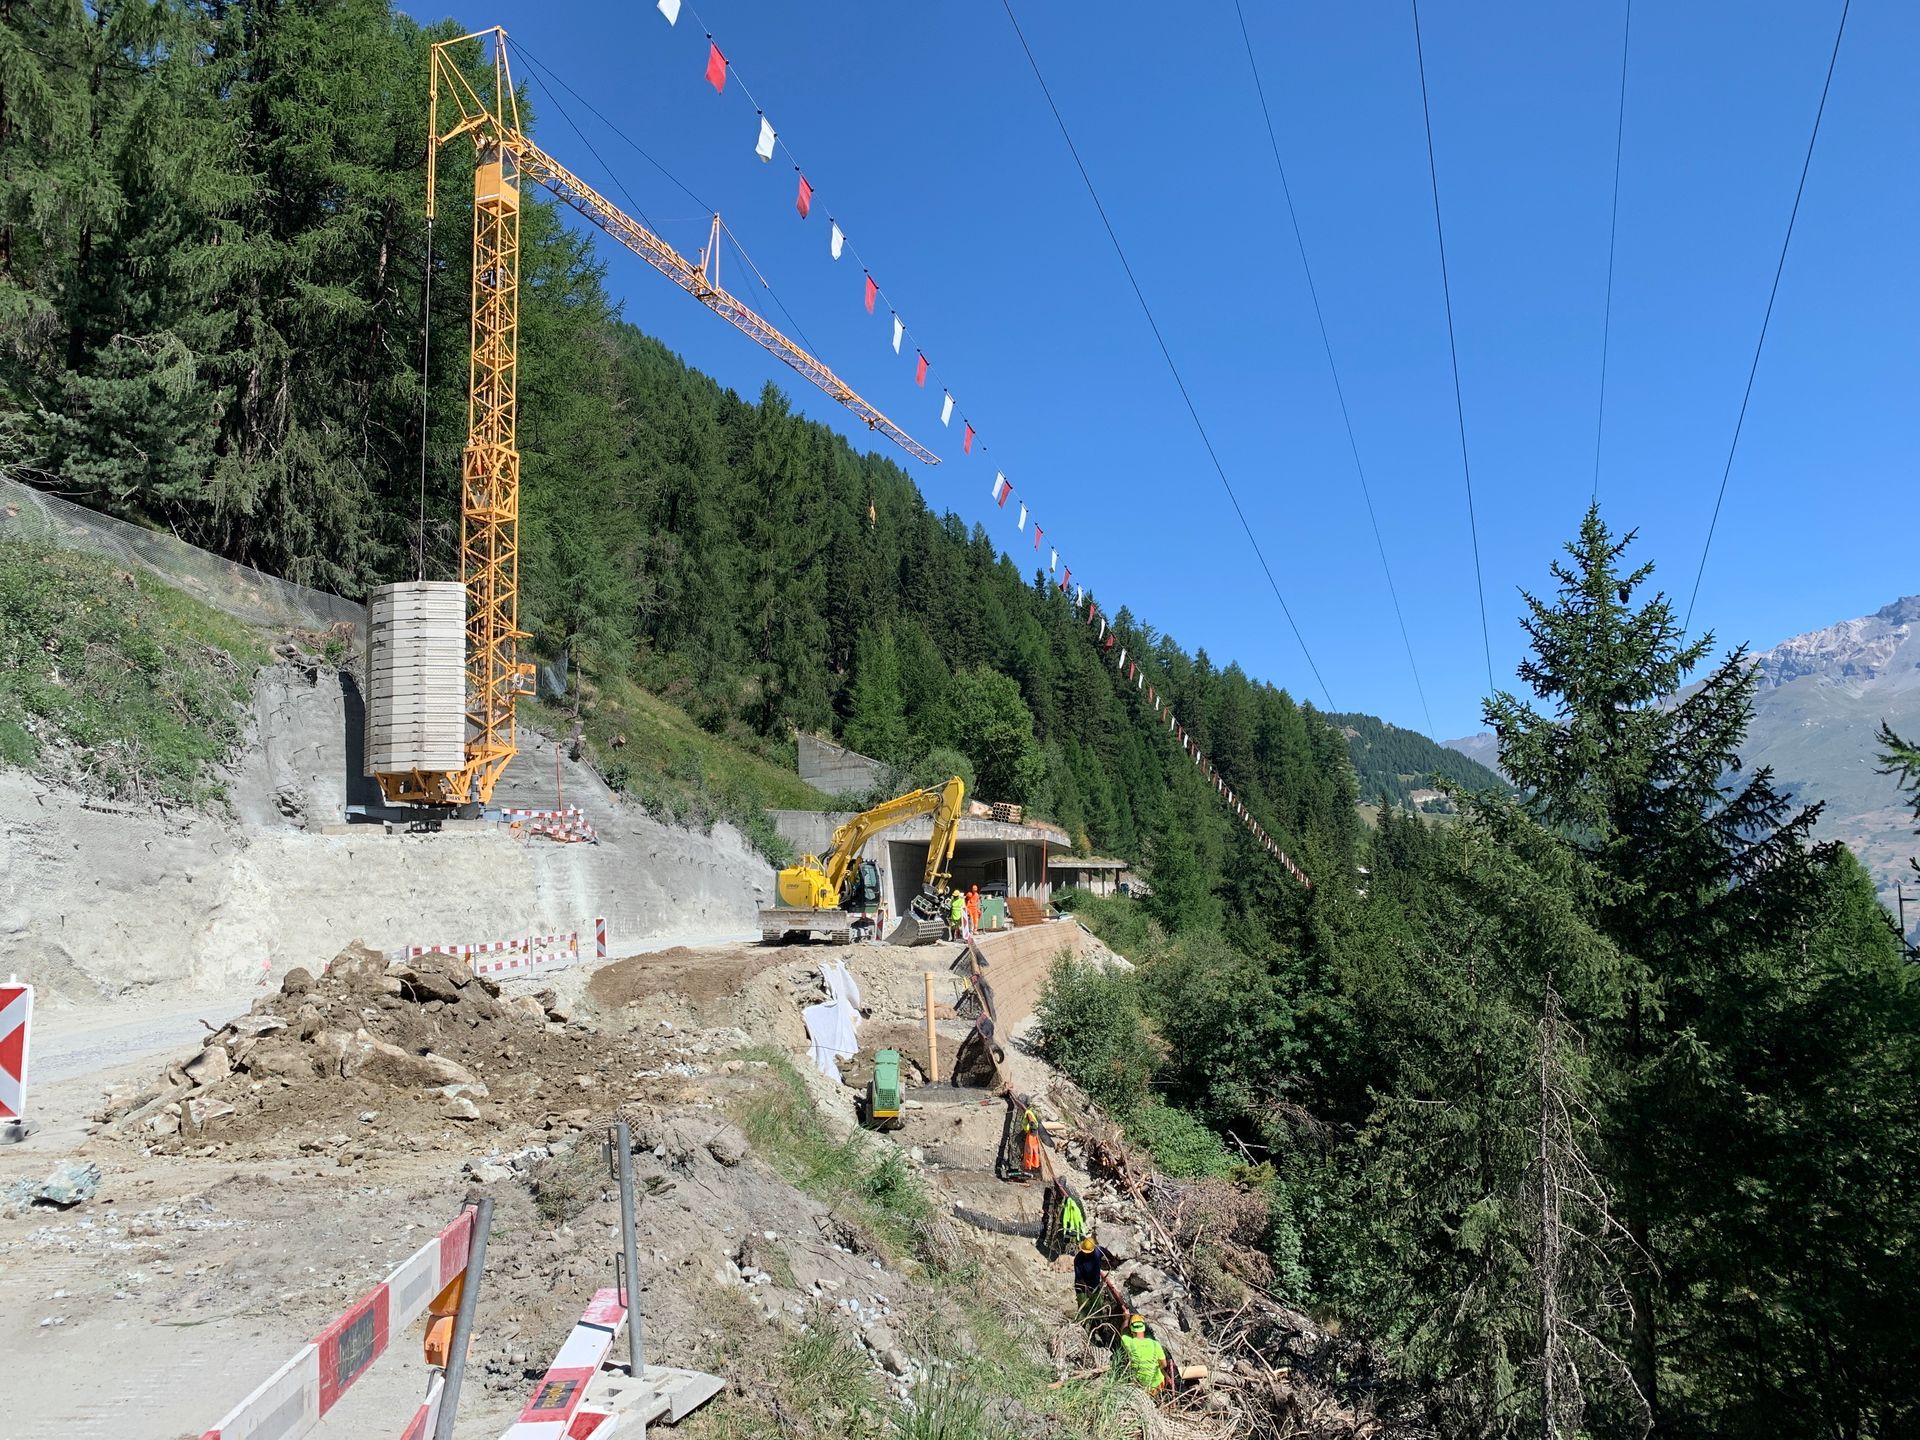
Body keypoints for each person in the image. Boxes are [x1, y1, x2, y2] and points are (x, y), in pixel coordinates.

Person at [1115, 1313, 1171, 1394]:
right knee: (1162, 1373)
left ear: (1131, 1330)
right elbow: (1164, 1364)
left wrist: (1126, 1319)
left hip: (1140, 1385)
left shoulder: (1129, 1343)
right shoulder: (1155, 1344)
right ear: (1144, 1329)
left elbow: (1123, 1332)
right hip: (1158, 1385)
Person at [1072, 1235, 1111, 1319]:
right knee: (1084, 1311)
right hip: (1082, 1288)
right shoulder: (1078, 1259)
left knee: (1097, 1310)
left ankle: (1097, 1325)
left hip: (1095, 1285)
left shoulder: (1097, 1251)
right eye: (1085, 1252)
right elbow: (1079, 1279)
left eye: (1088, 1253)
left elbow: (1106, 1252)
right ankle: (1082, 1324)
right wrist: (1088, 1291)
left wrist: (1112, 1260)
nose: (1086, 1255)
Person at [1020, 1107, 1043, 1179]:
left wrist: (1032, 1125)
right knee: (1034, 1151)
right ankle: (1034, 1167)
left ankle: (1028, 1168)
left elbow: (1030, 1119)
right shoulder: (1030, 1112)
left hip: (1031, 1134)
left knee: (1029, 1151)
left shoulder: (1028, 1113)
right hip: (1034, 1134)